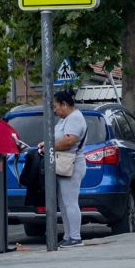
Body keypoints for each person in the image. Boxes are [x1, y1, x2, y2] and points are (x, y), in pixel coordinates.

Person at [20, 91, 87, 248]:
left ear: (64, 104)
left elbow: (70, 141)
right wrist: (46, 143)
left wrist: (49, 146)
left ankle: (75, 237)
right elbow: (59, 138)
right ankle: (69, 235)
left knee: (70, 201)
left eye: (56, 107)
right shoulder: (65, 119)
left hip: (71, 164)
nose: (55, 111)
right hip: (64, 163)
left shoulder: (75, 118)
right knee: (64, 203)